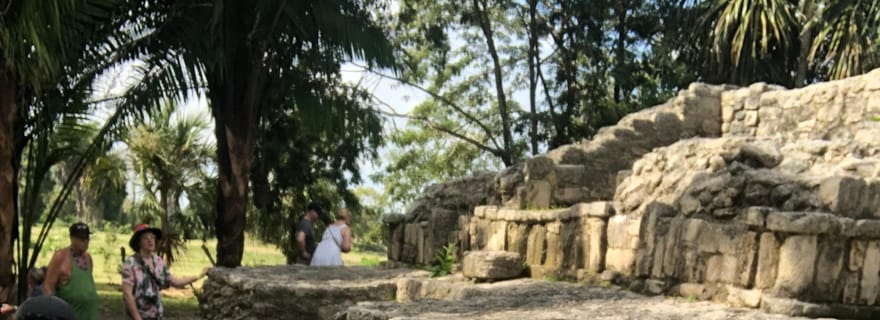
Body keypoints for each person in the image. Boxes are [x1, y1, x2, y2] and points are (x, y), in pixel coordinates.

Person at [122, 224, 209, 320]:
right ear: (138, 242)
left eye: (152, 237)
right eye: (145, 238)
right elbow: (127, 294)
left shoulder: (158, 262)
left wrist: (198, 276)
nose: (150, 240)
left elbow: (175, 281)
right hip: (138, 316)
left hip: (156, 316)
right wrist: (137, 318)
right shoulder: (130, 264)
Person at [42, 222, 99, 320]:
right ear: (72, 238)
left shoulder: (88, 258)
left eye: (87, 238)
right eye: (81, 239)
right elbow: (48, 287)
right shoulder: (60, 257)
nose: (85, 242)